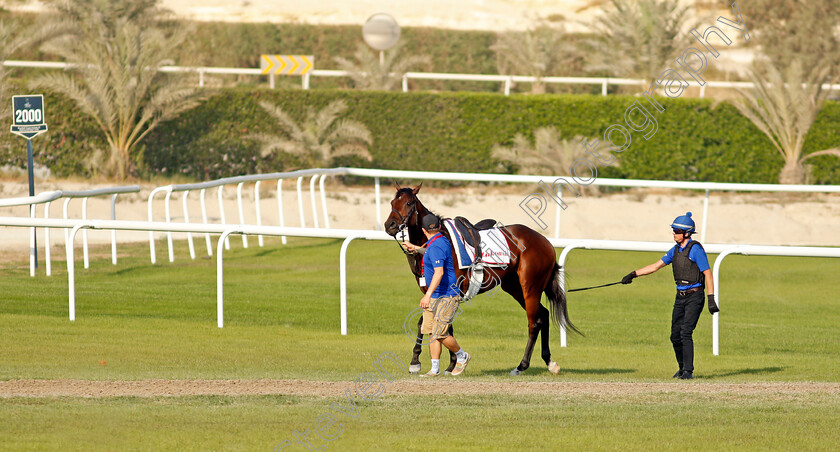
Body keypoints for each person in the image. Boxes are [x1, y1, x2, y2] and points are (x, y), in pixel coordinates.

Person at [620, 212, 719, 380]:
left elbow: (708, 274)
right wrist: (634, 274)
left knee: (686, 332)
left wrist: (711, 298)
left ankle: (688, 371)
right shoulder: (675, 251)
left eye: (676, 231)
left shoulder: (695, 250)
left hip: (695, 297)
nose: (674, 233)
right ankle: (681, 369)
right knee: (675, 335)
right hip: (680, 297)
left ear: (686, 233)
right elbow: (656, 266)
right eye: (673, 230)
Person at [401, 214, 471, 376]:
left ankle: (462, 355)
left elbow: (439, 272)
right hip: (437, 295)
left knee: (440, 333)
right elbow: (432, 253)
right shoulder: (441, 241)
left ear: (424, 230)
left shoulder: (436, 246)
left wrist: (427, 295)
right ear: (438, 227)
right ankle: (434, 369)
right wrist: (416, 248)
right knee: (432, 333)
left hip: (445, 295)